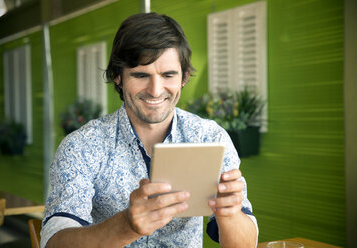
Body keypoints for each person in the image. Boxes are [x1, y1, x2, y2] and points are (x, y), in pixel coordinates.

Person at [41, 12, 258, 248]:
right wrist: (125, 226)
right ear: (118, 77)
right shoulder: (82, 146)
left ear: (184, 77)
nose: (155, 90)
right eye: (141, 75)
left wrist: (230, 214)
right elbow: (54, 243)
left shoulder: (209, 138)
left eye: (168, 75)